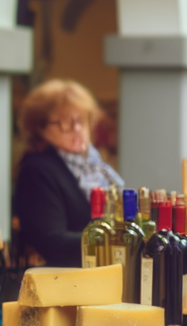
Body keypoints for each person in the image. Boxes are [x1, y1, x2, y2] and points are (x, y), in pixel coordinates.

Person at [13, 79, 123, 267]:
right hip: (62, 282)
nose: (77, 130)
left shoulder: (94, 164)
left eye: (81, 121)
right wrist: (116, 241)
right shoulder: (37, 170)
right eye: (65, 123)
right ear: (39, 128)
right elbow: (52, 243)